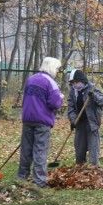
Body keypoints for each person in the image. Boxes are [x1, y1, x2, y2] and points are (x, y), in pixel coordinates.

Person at [16, 57, 64, 188]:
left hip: (27, 119)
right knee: (40, 151)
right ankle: (39, 181)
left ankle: (21, 177)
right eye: (57, 68)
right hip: (42, 121)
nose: (57, 71)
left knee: (26, 150)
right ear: (52, 68)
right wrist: (61, 98)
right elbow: (54, 103)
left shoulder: (31, 79)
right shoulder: (51, 82)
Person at [67, 69, 103, 166]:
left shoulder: (92, 88)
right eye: (72, 82)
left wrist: (94, 96)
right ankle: (80, 171)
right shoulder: (73, 91)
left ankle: (94, 172)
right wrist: (73, 120)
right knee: (79, 150)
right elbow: (71, 108)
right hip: (80, 124)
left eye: (76, 82)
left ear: (81, 80)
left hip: (92, 124)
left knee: (93, 150)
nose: (75, 84)